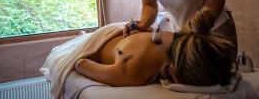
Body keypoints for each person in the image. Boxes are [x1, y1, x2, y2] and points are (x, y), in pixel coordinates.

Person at [75, 26, 235, 87]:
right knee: (79, 41)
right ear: (173, 71)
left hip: (121, 33)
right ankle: (82, 36)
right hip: (99, 40)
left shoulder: (179, 38)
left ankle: (83, 34)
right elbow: (81, 64)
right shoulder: (133, 69)